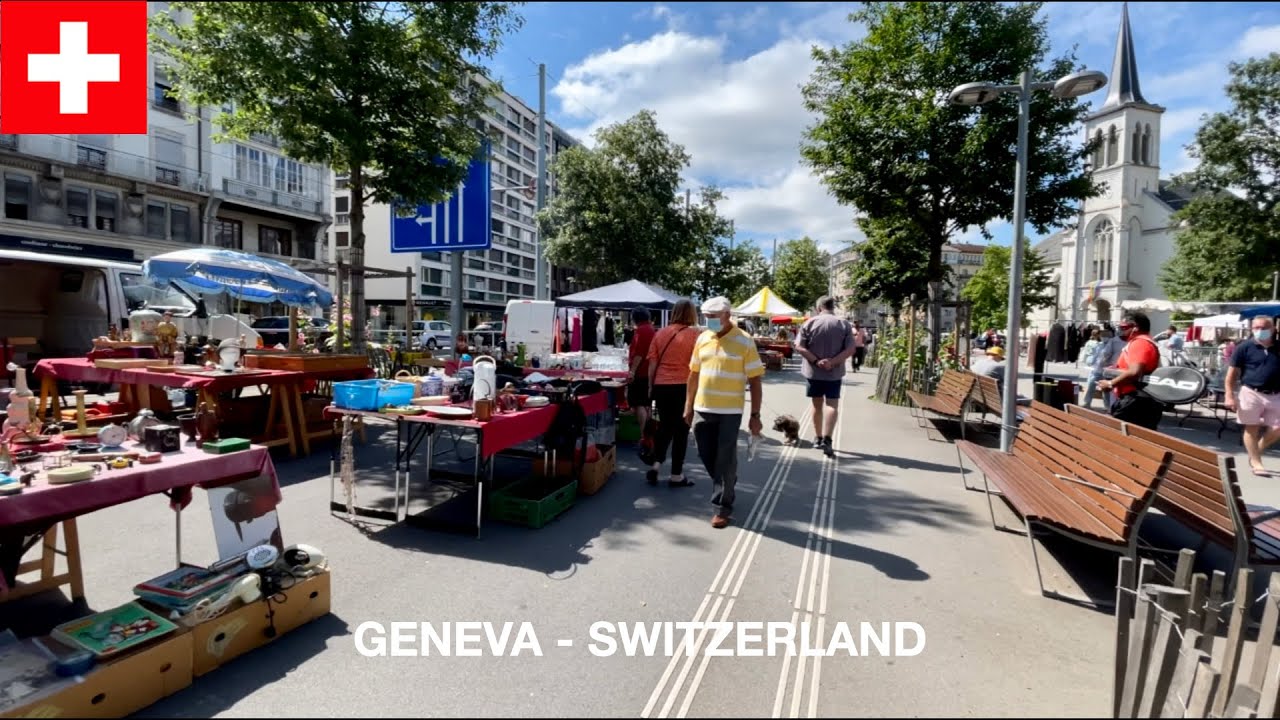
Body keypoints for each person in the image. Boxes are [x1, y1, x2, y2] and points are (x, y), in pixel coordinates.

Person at [684, 297, 764, 529]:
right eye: (706, 317)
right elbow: (693, 374)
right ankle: (727, 479)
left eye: (713, 317)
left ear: (727, 315)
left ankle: (722, 507)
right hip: (703, 407)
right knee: (705, 453)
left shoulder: (745, 341)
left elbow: (755, 381)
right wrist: (688, 406)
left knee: (726, 457)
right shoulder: (703, 338)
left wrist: (755, 416)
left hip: (730, 411)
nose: (709, 321)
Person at [644, 300, 701, 487]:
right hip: (684, 386)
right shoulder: (696, 335)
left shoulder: (660, 333)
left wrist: (651, 386)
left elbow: (652, 363)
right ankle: (676, 474)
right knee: (681, 430)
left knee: (665, 426)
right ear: (692, 314)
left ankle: (656, 465)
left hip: (662, 385)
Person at [793, 296, 854, 456]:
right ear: (833, 307)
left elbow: (799, 346)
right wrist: (832, 362)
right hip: (834, 373)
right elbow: (850, 349)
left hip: (814, 372)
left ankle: (818, 437)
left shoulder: (809, 323)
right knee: (832, 405)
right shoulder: (844, 324)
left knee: (816, 405)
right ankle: (828, 439)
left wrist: (816, 361)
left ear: (819, 307)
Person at [1224, 316, 1280, 476]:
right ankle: (1256, 462)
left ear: (1273, 329)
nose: (1259, 331)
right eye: (1256, 328)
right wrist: (1229, 395)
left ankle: (1257, 449)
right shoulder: (1244, 347)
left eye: (1264, 328)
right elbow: (1231, 374)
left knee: (1277, 428)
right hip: (1251, 392)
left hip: (1275, 393)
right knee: (1251, 427)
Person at [1097, 311, 1163, 430]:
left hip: (1135, 401)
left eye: (1124, 327)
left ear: (1135, 327)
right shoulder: (1145, 341)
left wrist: (1110, 383)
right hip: (1141, 399)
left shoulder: (1140, 343)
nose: (1121, 331)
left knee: (1121, 437)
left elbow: (1134, 372)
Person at [627, 308, 656, 445]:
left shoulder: (641, 331)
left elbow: (639, 353)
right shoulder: (651, 329)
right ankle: (649, 435)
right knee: (646, 404)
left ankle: (645, 436)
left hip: (641, 372)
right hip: (649, 372)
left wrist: (632, 371)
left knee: (638, 404)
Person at [1081, 328, 1124, 410]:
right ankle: (1087, 403)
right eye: (1102, 336)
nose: (1103, 337)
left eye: (1105, 336)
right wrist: (1092, 363)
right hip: (1097, 369)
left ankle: (1107, 406)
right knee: (1090, 386)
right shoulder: (1099, 345)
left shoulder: (1114, 343)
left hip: (1107, 370)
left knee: (1106, 389)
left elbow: (1111, 356)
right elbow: (1096, 355)